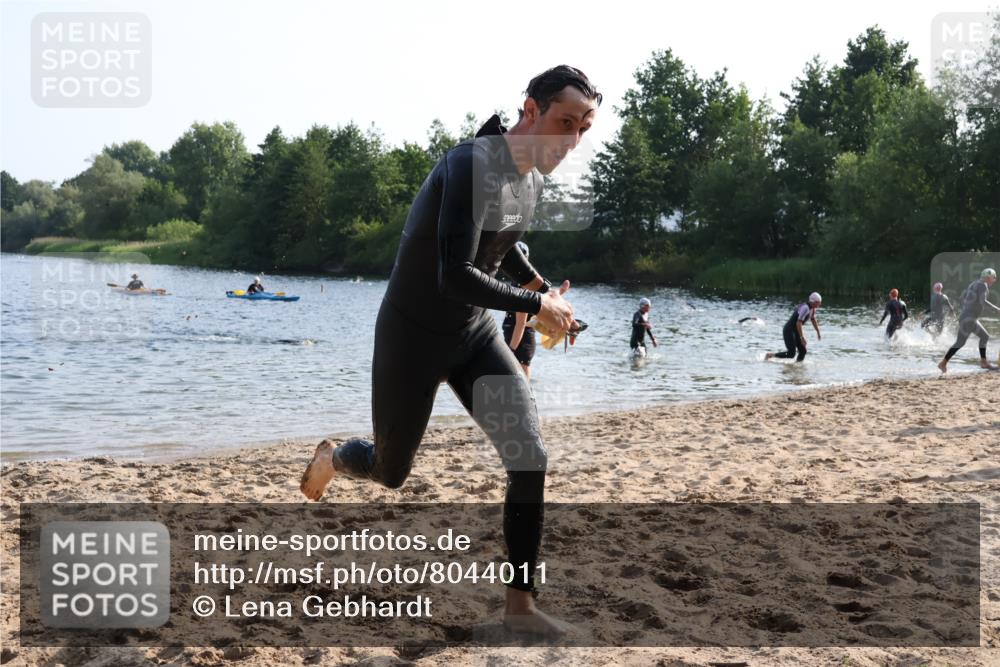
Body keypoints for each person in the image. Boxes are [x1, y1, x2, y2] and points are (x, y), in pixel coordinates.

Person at [299, 65, 601, 635]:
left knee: (528, 456)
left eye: (584, 127)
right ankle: (334, 458)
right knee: (390, 472)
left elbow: (502, 244)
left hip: (472, 337)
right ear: (530, 111)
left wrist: (540, 293)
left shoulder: (531, 177)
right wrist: (536, 310)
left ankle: (520, 611)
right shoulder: (470, 164)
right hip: (410, 338)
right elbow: (453, 274)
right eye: (565, 122)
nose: (573, 140)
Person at [938, 268, 999, 372]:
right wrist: (997, 309)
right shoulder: (983, 285)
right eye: (993, 278)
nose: (994, 280)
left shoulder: (973, 284)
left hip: (965, 316)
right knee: (984, 337)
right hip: (969, 318)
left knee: (960, 342)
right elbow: (983, 302)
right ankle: (983, 362)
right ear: (988, 277)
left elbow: (964, 299)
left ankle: (943, 363)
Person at [502, 241, 537, 378]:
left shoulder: (523, 285)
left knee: (521, 385)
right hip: (516, 338)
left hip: (521, 341)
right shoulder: (518, 282)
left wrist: (511, 350)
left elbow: (521, 323)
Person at [765, 292, 822, 362]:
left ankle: (797, 367)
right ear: (812, 301)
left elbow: (813, 320)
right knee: (791, 354)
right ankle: (770, 355)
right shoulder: (805, 308)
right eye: (818, 302)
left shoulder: (813, 309)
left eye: (819, 302)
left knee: (803, 351)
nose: (819, 304)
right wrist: (802, 337)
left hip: (796, 330)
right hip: (789, 330)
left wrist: (818, 332)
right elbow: (798, 323)